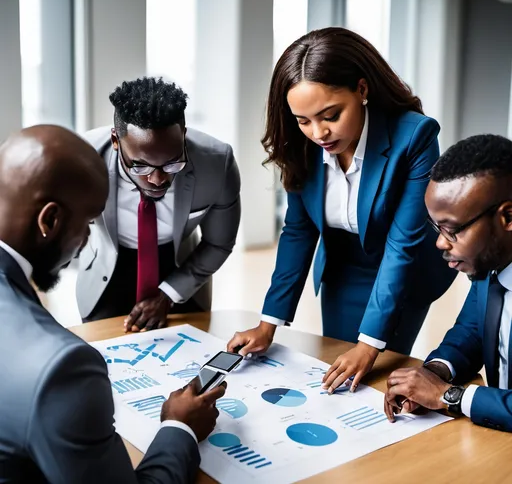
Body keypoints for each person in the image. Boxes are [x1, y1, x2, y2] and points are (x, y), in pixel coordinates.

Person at [227, 27, 455, 393]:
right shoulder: (299, 143)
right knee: (338, 374)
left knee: (373, 379)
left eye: (330, 115)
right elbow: (299, 232)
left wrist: (368, 345)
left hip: (403, 271)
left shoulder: (416, 136)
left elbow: (403, 245)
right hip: (343, 267)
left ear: (362, 90)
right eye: (304, 121)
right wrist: (268, 323)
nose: (319, 133)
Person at [0, 125, 226, 482]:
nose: (87, 237)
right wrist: (179, 427)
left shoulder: (216, 161)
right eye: (88, 223)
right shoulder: (62, 369)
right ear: (50, 221)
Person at [77, 77, 241, 331]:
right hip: (106, 272)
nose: (157, 179)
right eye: (140, 166)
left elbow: (219, 243)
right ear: (115, 141)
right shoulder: (81, 159)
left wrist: (168, 295)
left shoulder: (217, 163)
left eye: (172, 163)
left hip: (181, 267)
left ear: (184, 136)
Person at [385, 134, 512, 432]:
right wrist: (432, 374)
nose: (441, 243)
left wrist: (449, 396)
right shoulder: (491, 265)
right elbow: (471, 334)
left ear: (507, 216)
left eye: (453, 230)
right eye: (437, 228)